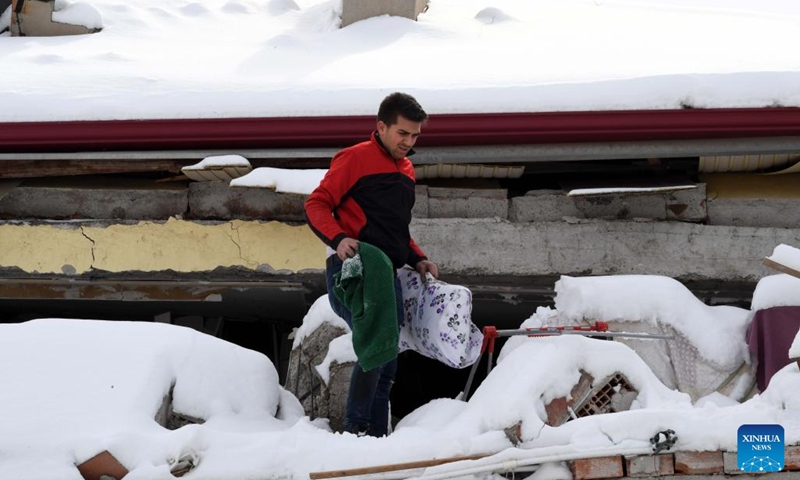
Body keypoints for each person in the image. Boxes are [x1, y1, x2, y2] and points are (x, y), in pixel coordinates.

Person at [304, 92, 438, 437]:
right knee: (378, 345)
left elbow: (395, 231)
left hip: (387, 273)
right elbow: (317, 204)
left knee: (388, 357)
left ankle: (377, 438)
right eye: (402, 133)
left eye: (415, 136)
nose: (409, 142)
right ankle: (356, 430)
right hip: (357, 270)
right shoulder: (355, 158)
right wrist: (338, 239)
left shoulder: (406, 170)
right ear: (381, 127)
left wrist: (418, 257)